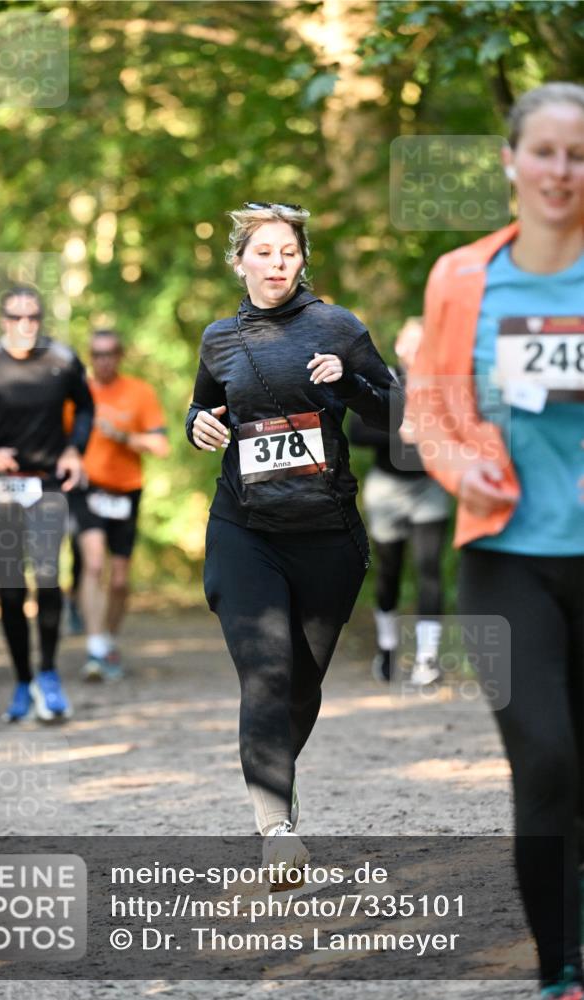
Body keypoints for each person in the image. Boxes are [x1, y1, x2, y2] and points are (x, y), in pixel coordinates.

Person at [405, 83, 584, 999]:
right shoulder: (462, 275)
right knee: (544, 755)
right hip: (501, 555)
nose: (561, 170)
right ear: (511, 162)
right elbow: (430, 404)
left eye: (577, 155)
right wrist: (453, 465)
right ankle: (563, 968)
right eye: (545, 151)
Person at [186, 202, 402, 870]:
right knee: (265, 672)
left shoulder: (336, 326)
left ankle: (274, 780)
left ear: (302, 259)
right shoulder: (219, 338)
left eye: (288, 252)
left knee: (301, 685)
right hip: (244, 529)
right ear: (240, 261)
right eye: (263, 251)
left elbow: (397, 412)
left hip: (325, 536)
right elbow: (202, 407)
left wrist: (352, 382)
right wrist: (198, 425)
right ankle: (275, 829)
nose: (276, 263)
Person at [0, 286, 94, 722]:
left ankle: (48, 674)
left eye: (32, 318)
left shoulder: (62, 360)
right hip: (1, 487)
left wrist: (74, 450)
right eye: (15, 318)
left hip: (47, 485)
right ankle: (23, 681)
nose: (25, 326)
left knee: (48, 580)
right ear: (4, 319)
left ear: (41, 319)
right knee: (10, 591)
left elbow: (85, 409)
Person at [349, 317, 451, 686]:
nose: (415, 351)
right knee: (389, 572)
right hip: (387, 488)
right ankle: (388, 648)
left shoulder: (442, 385)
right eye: (410, 343)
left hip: (429, 486)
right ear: (398, 347)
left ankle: (427, 659)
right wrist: (398, 427)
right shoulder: (381, 380)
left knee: (429, 570)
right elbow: (356, 431)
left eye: (423, 345)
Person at [70, 328, 169, 680]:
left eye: (110, 353)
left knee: (119, 580)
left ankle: (107, 641)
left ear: (120, 355)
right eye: (96, 354)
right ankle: (95, 646)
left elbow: (161, 446)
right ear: (90, 356)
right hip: (87, 488)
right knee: (94, 563)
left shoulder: (139, 392)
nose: (103, 360)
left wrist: (124, 437)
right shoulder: (77, 392)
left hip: (126, 491)